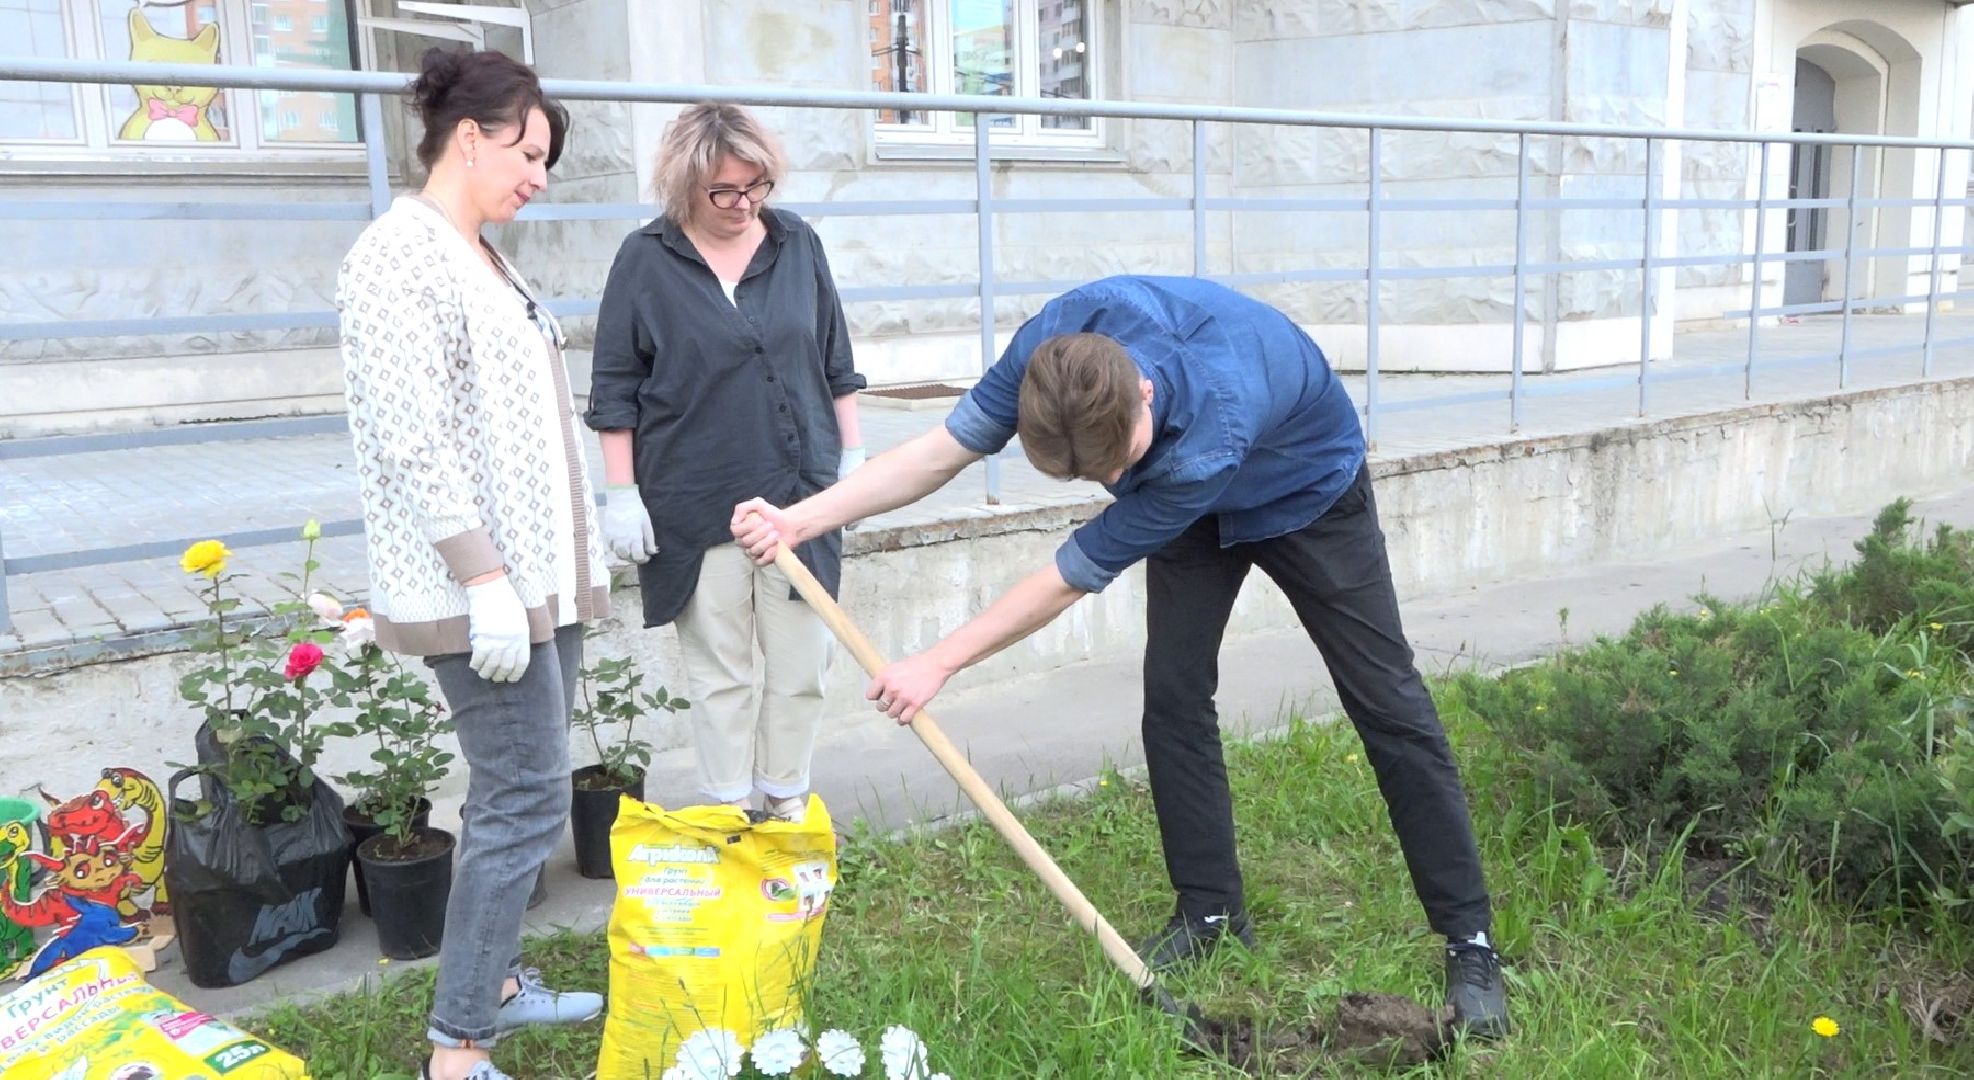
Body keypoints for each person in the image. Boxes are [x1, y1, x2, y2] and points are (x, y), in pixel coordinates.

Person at [732, 274, 1510, 1038]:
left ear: (1142, 391)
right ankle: (1209, 911)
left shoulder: (1208, 424)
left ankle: (1470, 943)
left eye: (1117, 463)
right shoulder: (1054, 353)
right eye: (1090, 474)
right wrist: (801, 519)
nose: (1112, 482)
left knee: (1387, 703)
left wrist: (938, 662)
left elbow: (1069, 576)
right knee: (1173, 697)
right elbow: (941, 451)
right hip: (1185, 502)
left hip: (1307, 492)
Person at [335, 47, 610, 1080]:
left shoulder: (485, 254)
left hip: (537, 581)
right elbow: (413, 438)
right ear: (469, 135)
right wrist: (482, 576)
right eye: (528, 151)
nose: (539, 176)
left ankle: (489, 981)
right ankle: (457, 1048)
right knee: (523, 799)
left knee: (516, 795)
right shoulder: (399, 254)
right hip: (483, 587)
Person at [586, 103, 866, 823]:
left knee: (803, 665)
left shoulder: (796, 241)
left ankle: (784, 802)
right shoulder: (644, 260)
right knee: (721, 674)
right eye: (725, 192)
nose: (744, 205)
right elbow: (616, 386)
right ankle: (725, 815)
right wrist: (622, 493)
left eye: (757, 186)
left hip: (801, 494)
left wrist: (855, 462)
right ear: (684, 185)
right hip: (695, 494)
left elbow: (835, 357)